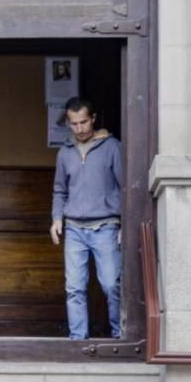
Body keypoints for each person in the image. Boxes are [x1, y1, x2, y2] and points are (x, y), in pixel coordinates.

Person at [50, 97, 123, 340]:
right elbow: (60, 189)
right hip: (74, 229)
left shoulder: (112, 147)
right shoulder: (64, 153)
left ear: (93, 119)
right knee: (74, 288)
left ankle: (119, 336)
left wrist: (125, 223)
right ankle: (77, 340)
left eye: (83, 122)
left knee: (112, 285)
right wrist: (56, 218)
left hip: (106, 226)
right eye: (74, 124)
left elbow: (126, 187)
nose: (80, 129)